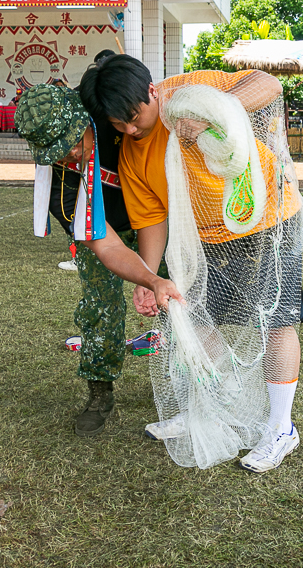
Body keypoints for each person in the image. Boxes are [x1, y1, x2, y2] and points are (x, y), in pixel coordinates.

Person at [78, 55, 303, 472]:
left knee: (275, 321)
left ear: (152, 91)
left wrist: (212, 115)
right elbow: (151, 219)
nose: (131, 129)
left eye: (134, 116)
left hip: (266, 216)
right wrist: (148, 279)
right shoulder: (131, 152)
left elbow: (267, 83)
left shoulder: (190, 91)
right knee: (197, 322)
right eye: (119, 125)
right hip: (204, 238)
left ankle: (280, 427)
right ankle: (209, 410)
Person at [15, 84, 183, 437]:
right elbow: (106, 247)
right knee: (100, 307)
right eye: (58, 152)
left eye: (73, 140)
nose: (72, 153)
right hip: (106, 228)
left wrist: (155, 279)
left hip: (158, 217)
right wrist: (145, 278)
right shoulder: (60, 187)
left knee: (176, 296)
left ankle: (185, 384)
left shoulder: (117, 117)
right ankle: (99, 393)